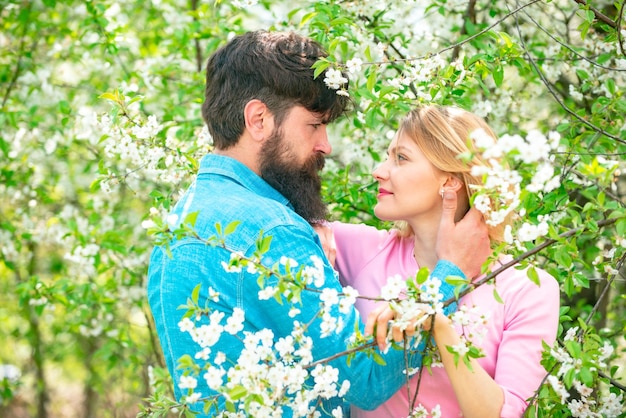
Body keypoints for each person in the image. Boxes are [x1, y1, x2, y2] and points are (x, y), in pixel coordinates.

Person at [146, 31, 491, 417]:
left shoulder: (179, 222)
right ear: (258, 119)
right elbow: (363, 377)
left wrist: (308, 220)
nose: (325, 144)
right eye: (314, 125)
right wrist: (451, 275)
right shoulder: (272, 232)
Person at [319, 105, 560, 417]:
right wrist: (313, 228)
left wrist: (439, 326)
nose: (379, 171)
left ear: (450, 182)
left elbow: (505, 413)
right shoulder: (361, 250)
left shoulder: (527, 290)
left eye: (400, 158)